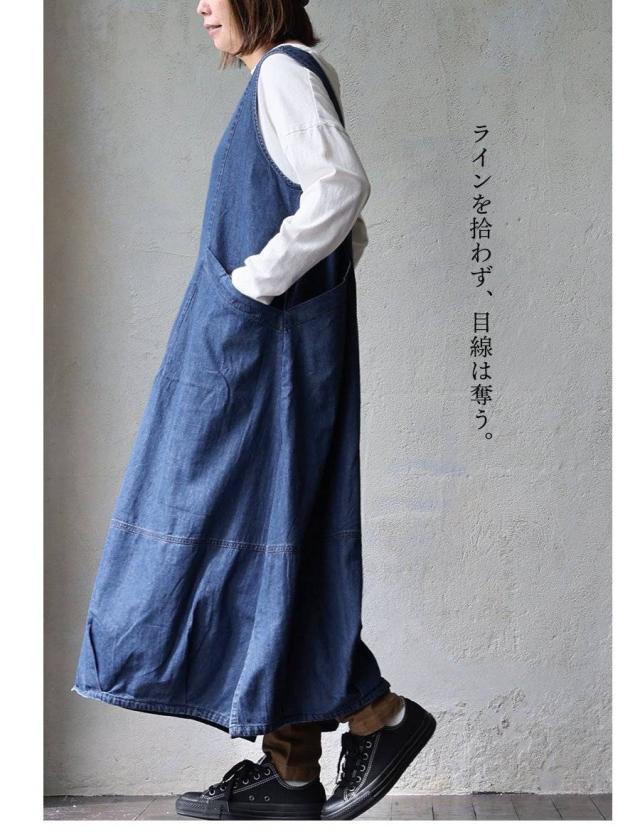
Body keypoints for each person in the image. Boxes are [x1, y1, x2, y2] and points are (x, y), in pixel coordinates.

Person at [71, 0, 436, 821]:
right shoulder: (294, 74)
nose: (202, 6)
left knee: (242, 534)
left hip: (269, 358)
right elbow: (343, 227)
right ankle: (291, 768)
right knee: (281, 539)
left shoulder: (282, 76)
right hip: (276, 353)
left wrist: (253, 285)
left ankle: (377, 714)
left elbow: (340, 189)